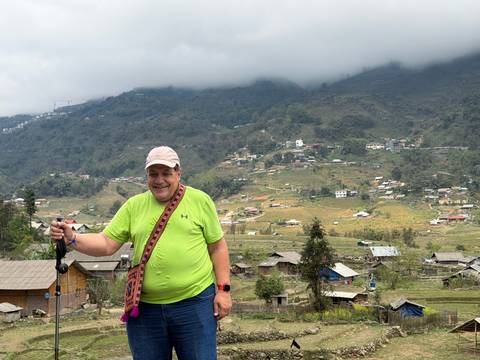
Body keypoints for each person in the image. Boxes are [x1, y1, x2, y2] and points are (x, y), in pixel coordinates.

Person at [50, 146, 232, 360]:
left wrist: (223, 290)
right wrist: (72, 238)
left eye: (166, 173)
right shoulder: (133, 206)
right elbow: (107, 243)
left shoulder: (200, 201)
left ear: (178, 173)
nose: (159, 180)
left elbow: (217, 247)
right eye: (153, 174)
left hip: (194, 304)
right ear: (147, 176)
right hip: (145, 310)